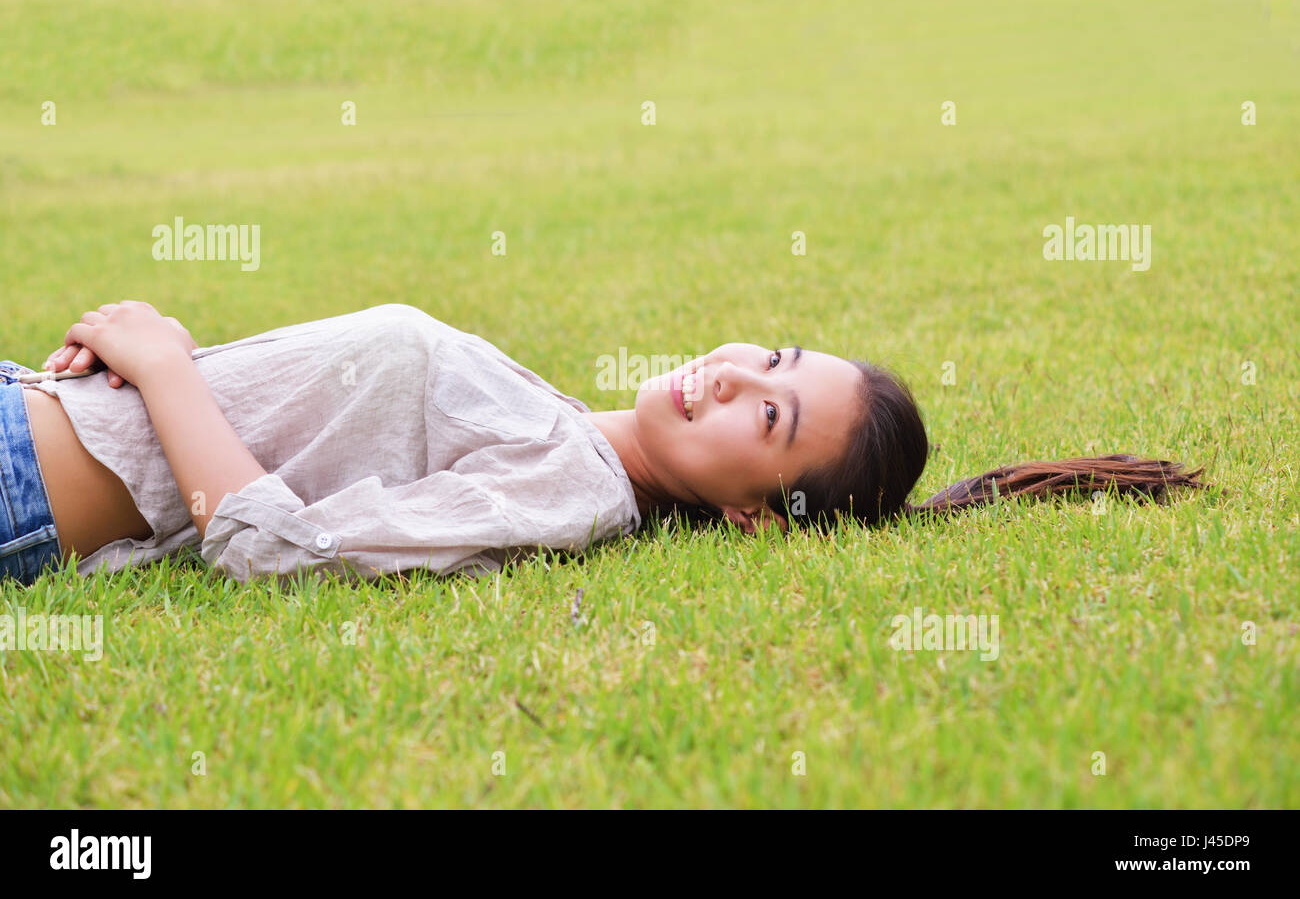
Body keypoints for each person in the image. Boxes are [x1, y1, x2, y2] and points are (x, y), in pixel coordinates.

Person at [0, 301, 1204, 585]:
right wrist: (167, 375)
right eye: (770, 359)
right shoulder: (567, 421)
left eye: (767, 419)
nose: (734, 377)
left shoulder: (573, 485)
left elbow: (282, 552)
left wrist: (163, 365)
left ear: (751, 514)